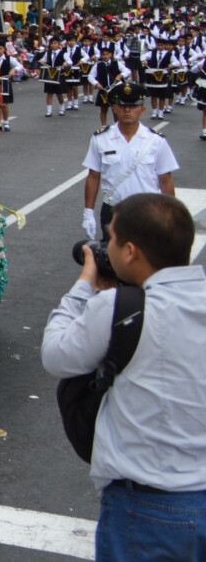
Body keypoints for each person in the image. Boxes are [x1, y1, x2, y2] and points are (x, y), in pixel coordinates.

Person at [41, 193, 206, 561]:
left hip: (146, 507)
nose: (106, 246)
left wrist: (84, 286)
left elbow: (56, 355)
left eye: (111, 238)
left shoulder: (120, 308)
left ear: (130, 252)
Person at [82, 82, 178, 242]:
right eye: (122, 105)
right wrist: (88, 213)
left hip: (148, 210)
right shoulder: (100, 139)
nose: (127, 110)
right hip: (113, 210)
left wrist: (172, 216)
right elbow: (93, 176)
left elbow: (166, 180)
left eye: (133, 106)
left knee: (146, 260)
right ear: (114, 108)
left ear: (142, 109)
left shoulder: (156, 141)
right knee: (112, 261)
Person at [0, 40, 24, 132]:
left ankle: (6, 122)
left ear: (4, 49)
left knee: (4, 104)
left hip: (5, 83)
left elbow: (19, 66)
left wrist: (14, 70)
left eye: (0, 49)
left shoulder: (9, 59)